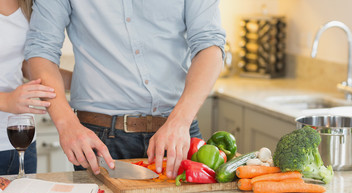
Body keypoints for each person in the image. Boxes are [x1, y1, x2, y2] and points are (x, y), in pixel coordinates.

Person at [25, 1, 226, 179]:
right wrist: (66, 123)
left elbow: (210, 46)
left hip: (179, 132)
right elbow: (41, 52)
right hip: (100, 139)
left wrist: (180, 121)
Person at [0, 0, 72, 175]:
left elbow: (23, 63)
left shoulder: (29, 4)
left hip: (19, 138)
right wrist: (5, 100)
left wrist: (77, 82)